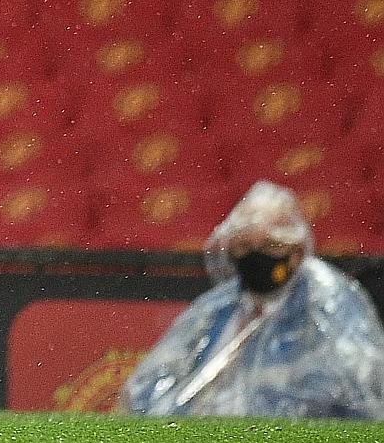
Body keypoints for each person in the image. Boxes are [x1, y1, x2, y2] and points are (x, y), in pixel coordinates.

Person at [119, 180, 384, 420]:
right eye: (244, 246)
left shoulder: (328, 303)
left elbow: (359, 393)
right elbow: (150, 386)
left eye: (271, 246)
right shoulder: (216, 308)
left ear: (297, 252)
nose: (256, 258)